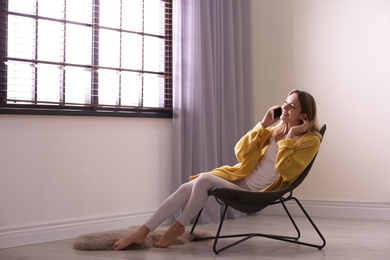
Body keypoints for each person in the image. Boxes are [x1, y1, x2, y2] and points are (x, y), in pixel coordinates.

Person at [113, 89, 321, 250]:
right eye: (286, 102)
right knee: (188, 186)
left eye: (292, 106)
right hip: (240, 178)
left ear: (305, 115)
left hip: (257, 193)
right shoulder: (275, 131)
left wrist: (292, 136)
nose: (285, 107)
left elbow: (287, 171)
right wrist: (263, 124)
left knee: (204, 180)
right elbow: (240, 151)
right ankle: (143, 231)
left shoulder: (310, 140)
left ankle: (179, 226)